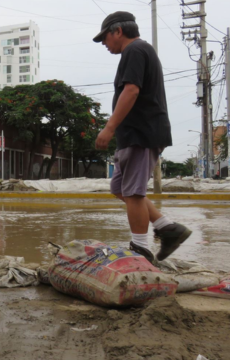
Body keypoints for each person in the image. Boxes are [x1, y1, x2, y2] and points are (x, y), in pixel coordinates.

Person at [93, 12, 192, 262]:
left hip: (141, 132)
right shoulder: (137, 51)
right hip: (134, 134)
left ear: (117, 31)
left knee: (134, 193)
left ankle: (140, 249)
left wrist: (109, 127)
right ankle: (167, 228)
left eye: (104, 37)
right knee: (120, 188)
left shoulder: (135, 50)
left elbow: (132, 90)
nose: (104, 44)